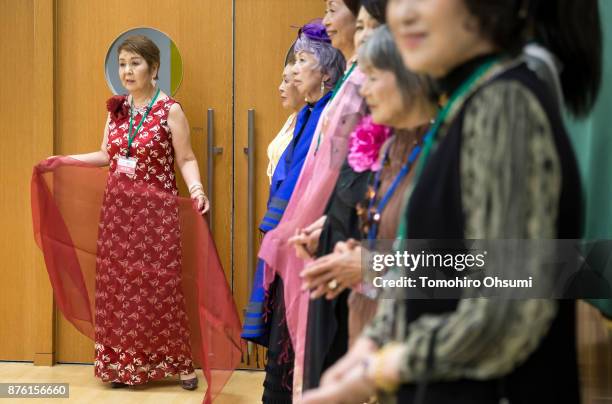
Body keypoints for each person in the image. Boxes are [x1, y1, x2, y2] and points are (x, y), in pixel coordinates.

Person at [303, 0, 602, 403]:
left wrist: (381, 368)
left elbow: (506, 309)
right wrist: (369, 346)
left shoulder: (504, 102)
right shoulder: (470, 101)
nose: (402, 14)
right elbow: (450, 262)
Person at [65, 35, 208, 390]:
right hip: (117, 215)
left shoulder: (169, 110)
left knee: (160, 289)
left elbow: (186, 158)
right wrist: (63, 161)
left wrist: (197, 189)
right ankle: (121, 368)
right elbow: (106, 155)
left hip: (156, 217)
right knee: (118, 291)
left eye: (135, 63)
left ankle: (180, 365)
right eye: (123, 64)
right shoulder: (117, 110)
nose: (127, 71)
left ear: (154, 68)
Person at [258, 1, 368, 399]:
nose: (289, 72)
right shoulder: (314, 110)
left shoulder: (354, 89)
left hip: (335, 235)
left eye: (301, 60)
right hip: (315, 230)